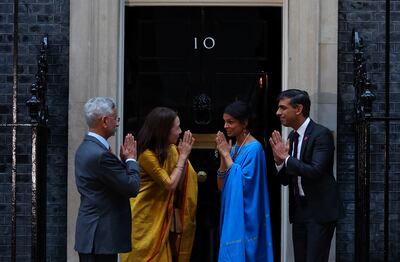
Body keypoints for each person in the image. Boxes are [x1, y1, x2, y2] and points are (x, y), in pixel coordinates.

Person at [269, 89, 343, 262]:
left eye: (282, 108)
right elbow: (286, 181)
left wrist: (286, 158)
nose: (278, 113)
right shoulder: (293, 136)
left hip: (319, 210)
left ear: (298, 109)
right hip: (300, 210)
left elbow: (315, 171)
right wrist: (279, 162)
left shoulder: (321, 134)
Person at [120, 107, 197, 262]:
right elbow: (169, 184)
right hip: (144, 219)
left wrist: (181, 157)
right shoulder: (147, 155)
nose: (180, 131)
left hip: (160, 220)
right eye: (177, 128)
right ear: (165, 130)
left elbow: (181, 182)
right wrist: (183, 158)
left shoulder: (170, 151)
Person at [74, 97, 141, 262]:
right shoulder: (101, 155)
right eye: (115, 118)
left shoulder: (85, 147)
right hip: (101, 238)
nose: (117, 123)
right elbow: (132, 187)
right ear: (105, 121)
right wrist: (131, 160)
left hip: (92, 235)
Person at [215, 101, 274, 261]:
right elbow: (222, 186)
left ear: (244, 123)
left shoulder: (254, 149)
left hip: (247, 215)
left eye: (231, 122)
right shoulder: (233, 148)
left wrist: (227, 156)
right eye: (225, 121)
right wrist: (223, 155)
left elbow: (244, 184)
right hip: (231, 211)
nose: (226, 126)